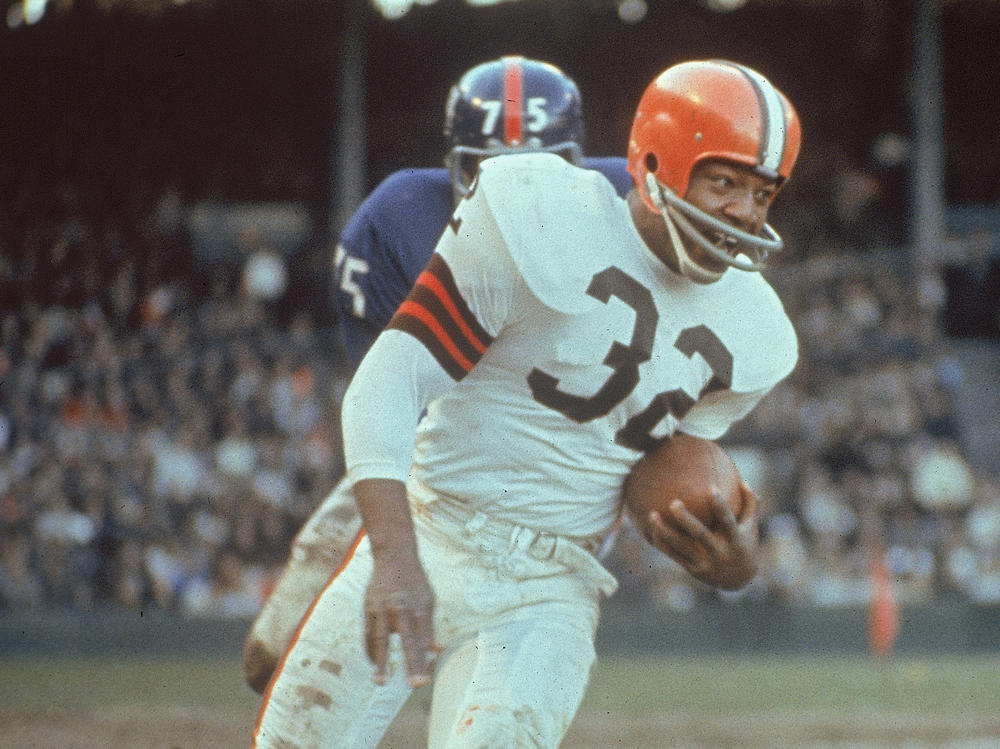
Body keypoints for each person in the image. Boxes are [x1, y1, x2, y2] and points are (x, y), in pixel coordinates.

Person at [252, 59, 801, 748]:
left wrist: (736, 563)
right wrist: (393, 556)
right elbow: (387, 383)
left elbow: (659, 473)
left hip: (550, 587)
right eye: (725, 182)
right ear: (657, 160)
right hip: (431, 523)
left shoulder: (756, 331)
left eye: (762, 194)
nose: (744, 214)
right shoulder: (536, 212)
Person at [241, 55, 633, 694]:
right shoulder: (397, 221)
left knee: (490, 667)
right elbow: (392, 398)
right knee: (276, 653)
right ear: (454, 164)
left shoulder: (625, 204)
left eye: (541, 166)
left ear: (578, 164)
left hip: (556, 457)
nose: (518, 188)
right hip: (437, 443)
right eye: (489, 168)